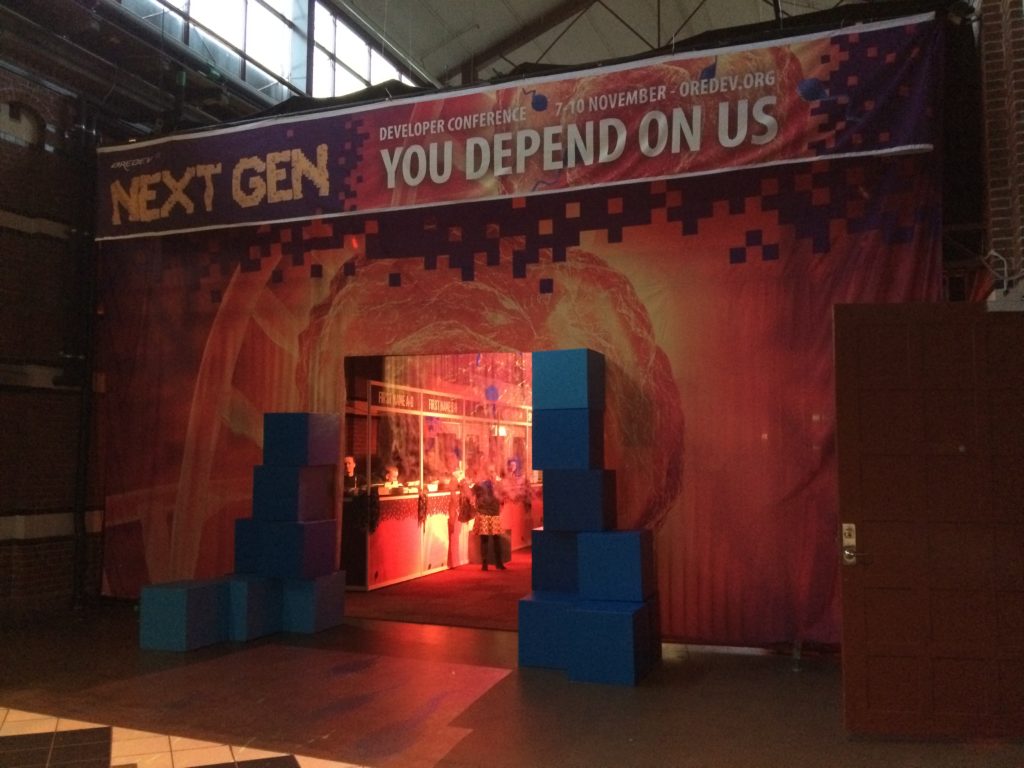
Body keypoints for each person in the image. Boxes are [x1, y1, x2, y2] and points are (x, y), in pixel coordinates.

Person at [472, 479, 505, 571]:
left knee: (485, 540)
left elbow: (470, 494)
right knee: (496, 539)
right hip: (494, 513)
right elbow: (503, 498)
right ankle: (498, 564)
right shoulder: (497, 483)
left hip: (484, 514)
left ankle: (485, 564)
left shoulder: (479, 483)